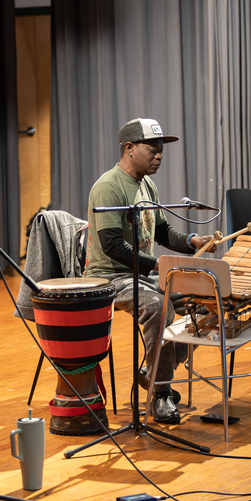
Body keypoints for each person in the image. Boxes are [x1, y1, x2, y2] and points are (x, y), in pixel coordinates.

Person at [83, 117, 214, 425]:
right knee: (159, 305)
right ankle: (161, 391)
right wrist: (158, 264)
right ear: (129, 148)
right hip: (111, 277)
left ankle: (152, 368)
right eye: (152, 149)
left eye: (161, 150)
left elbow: (163, 232)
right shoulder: (107, 187)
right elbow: (113, 247)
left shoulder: (148, 185)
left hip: (145, 274)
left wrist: (193, 241)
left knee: (207, 297)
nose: (159, 155)